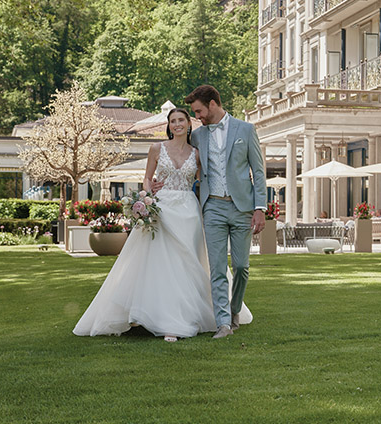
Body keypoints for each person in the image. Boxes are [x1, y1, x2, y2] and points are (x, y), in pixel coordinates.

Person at [73, 107, 252, 342]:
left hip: (188, 211)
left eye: (181, 120)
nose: (177, 124)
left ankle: (189, 315)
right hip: (162, 209)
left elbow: (207, 179)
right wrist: (148, 194)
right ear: (168, 126)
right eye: (172, 121)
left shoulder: (197, 153)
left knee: (187, 263)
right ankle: (158, 317)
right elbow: (147, 178)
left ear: (189, 124)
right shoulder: (157, 148)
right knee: (160, 265)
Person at [186, 84, 266, 340]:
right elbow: (183, 162)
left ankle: (234, 312)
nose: (196, 117)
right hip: (213, 208)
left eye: (198, 111)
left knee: (241, 266)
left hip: (242, 206)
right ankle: (222, 323)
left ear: (212, 104)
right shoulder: (197, 136)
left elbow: (259, 171)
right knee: (218, 268)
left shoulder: (246, 129)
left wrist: (260, 208)